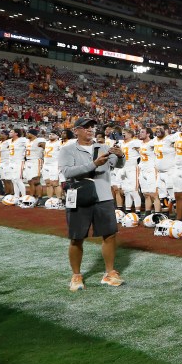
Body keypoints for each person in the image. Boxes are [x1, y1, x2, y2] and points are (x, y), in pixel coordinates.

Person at [58, 118, 126, 291]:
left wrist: (120, 156)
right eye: (86, 127)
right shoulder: (67, 149)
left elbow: (115, 166)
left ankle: (109, 272)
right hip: (80, 195)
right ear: (76, 131)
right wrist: (94, 164)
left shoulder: (103, 147)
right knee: (76, 237)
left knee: (110, 234)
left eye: (92, 127)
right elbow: (67, 172)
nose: (90, 129)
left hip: (103, 194)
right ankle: (76, 275)